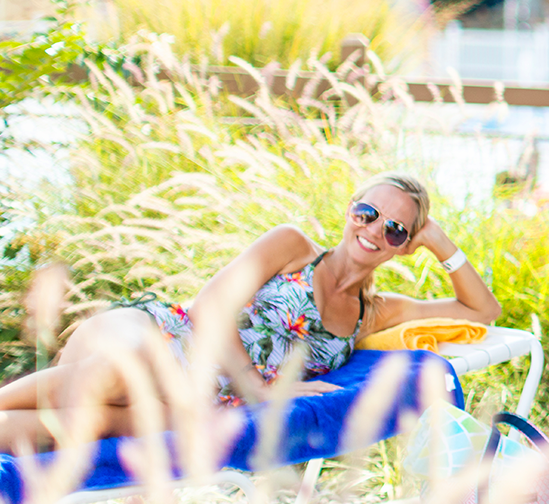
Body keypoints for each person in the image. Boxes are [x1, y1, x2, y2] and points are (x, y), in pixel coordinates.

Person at [0, 172, 502, 448]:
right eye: (368, 213)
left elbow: (481, 310)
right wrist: (258, 387)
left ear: (404, 246)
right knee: (121, 370)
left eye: (395, 230)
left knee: (94, 424)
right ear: (350, 211)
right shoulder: (293, 246)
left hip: (202, 403)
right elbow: (209, 305)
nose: (374, 231)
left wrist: (437, 239)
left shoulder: (374, 314)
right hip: (161, 337)